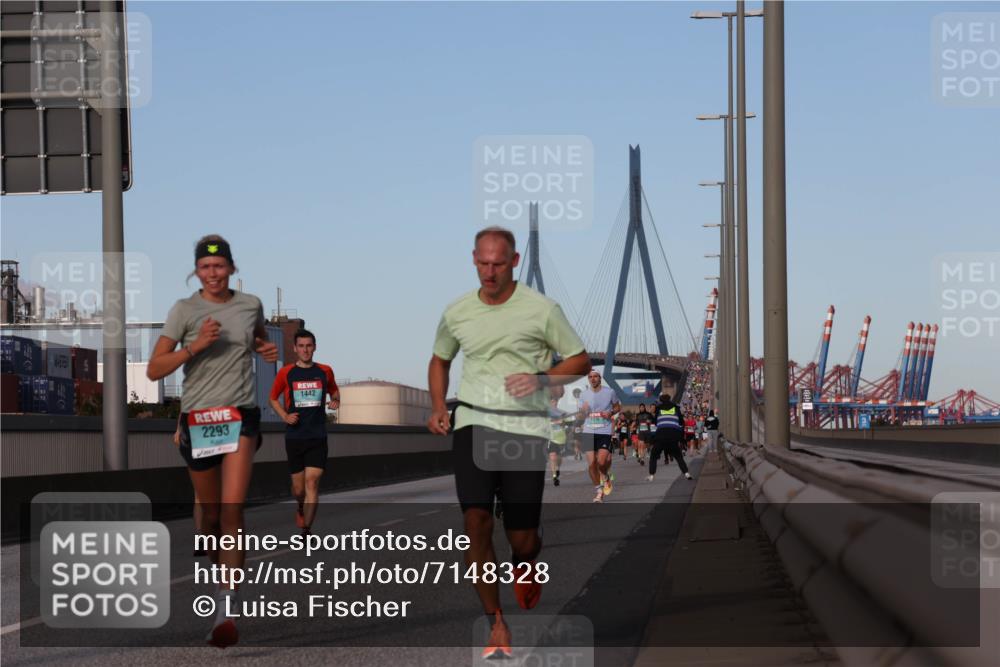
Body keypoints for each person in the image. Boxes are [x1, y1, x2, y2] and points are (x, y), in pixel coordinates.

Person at [427, 226, 590, 659]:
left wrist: (540, 378)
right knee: (475, 522)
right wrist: (439, 405)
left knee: (520, 539)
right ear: (474, 259)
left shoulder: (541, 309)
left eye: (498, 263)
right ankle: (497, 624)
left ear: (514, 262)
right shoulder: (458, 310)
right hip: (474, 423)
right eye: (482, 263)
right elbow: (440, 359)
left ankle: (528, 557)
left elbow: (579, 358)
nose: (490, 272)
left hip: (524, 430)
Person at [147, 235, 278, 648]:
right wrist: (196, 346)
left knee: (232, 511)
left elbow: (255, 337)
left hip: (240, 415)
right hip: (199, 418)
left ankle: (226, 610)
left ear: (232, 269)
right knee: (210, 519)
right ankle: (206, 534)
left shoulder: (250, 304)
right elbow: (154, 369)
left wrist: (266, 348)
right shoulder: (183, 311)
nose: (213, 273)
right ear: (196, 271)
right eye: (206, 267)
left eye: (220, 266)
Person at [269, 329, 340, 536]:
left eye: (309, 346)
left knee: (312, 483)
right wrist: (284, 416)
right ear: (294, 348)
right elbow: (272, 398)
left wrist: (336, 399)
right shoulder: (286, 373)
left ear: (314, 347)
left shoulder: (325, 371)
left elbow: (334, 390)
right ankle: (300, 506)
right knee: (299, 490)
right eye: (301, 346)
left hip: (317, 435)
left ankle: (306, 530)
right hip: (295, 437)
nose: (305, 350)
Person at [578, 370, 620, 503]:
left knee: (601, 462)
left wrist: (611, 412)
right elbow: (580, 416)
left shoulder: (610, 392)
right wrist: (583, 411)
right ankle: (599, 491)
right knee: (591, 465)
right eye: (590, 377)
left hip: (604, 431)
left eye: (595, 376)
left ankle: (606, 477)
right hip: (588, 431)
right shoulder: (583, 395)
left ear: (600, 378)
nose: (593, 379)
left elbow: (617, 407)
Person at [647, 392, 693, 482]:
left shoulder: (659, 409)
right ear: (669, 399)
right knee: (678, 456)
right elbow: (681, 422)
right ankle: (687, 474)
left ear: (661, 400)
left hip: (661, 435)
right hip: (673, 435)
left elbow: (656, 422)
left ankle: (651, 475)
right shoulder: (676, 408)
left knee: (654, 455)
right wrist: (680, 436)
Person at [548, 396, 568, 486]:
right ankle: (554, 475)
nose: (553, 403)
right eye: (552, 401)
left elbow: (567, 424)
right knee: (552, 456)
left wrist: (562, 422)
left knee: (559, 458)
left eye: (555, 401)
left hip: (561, 438)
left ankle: (557, 469)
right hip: (551, 438)